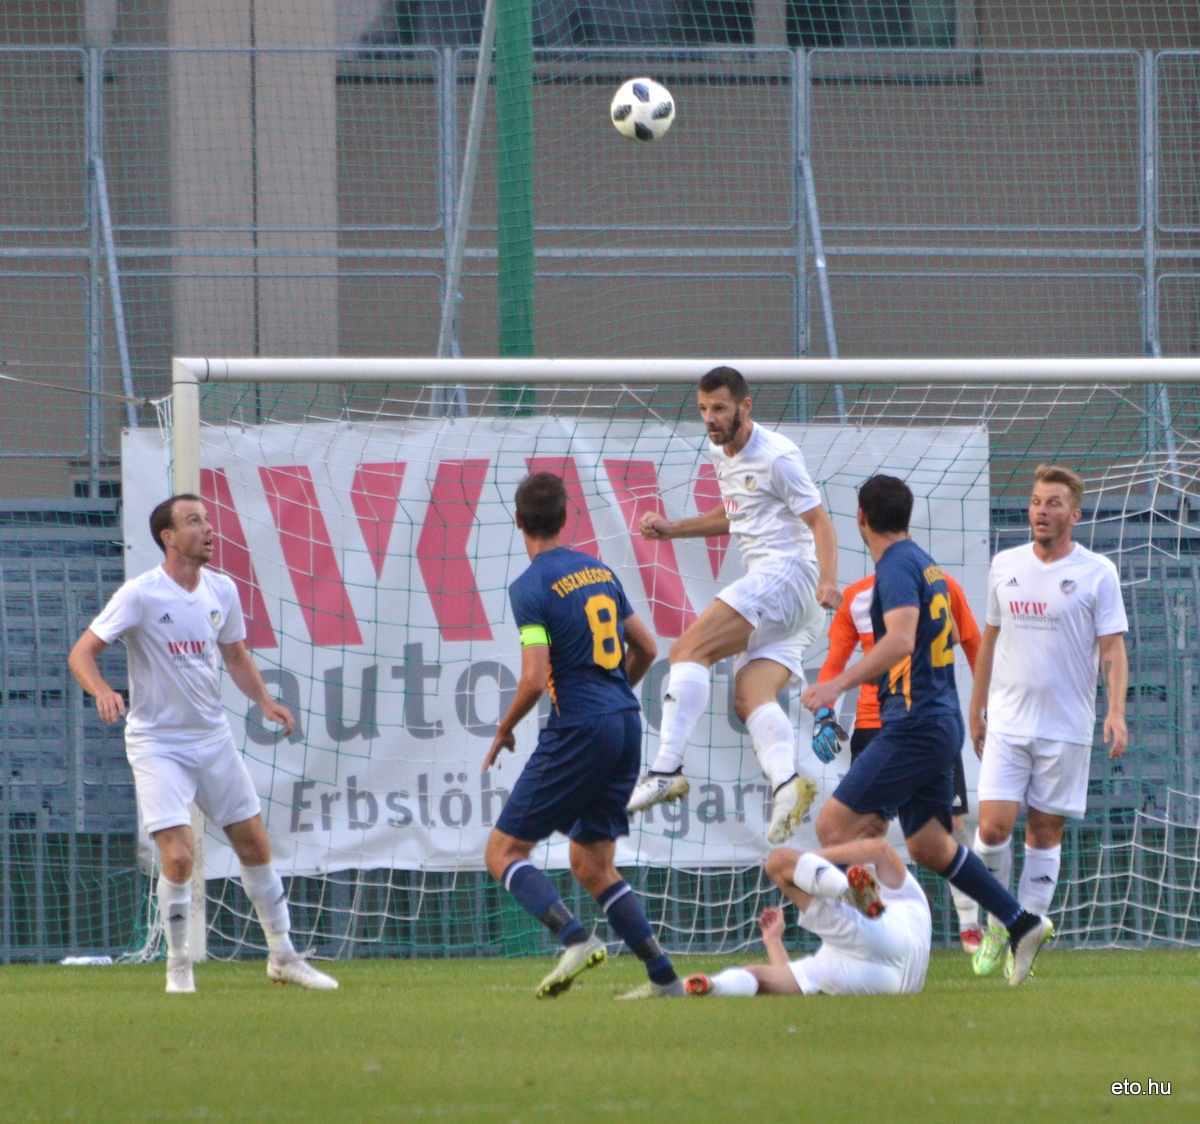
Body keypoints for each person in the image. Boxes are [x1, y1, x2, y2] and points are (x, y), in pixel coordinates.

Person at [67, 494, 337, 994]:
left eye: (208, 519)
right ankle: (178, 966)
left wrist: (264, 701)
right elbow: (81, 653)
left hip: (212, 738)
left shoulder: (222, 589)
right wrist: (102, 690)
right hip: (157, 743)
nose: (208, 529)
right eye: (194, 521)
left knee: (255, 844)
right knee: (179, 856)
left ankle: (283, 956)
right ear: (168, 537)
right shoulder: (140, 594)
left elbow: (235, 656)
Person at [801, 475, 1052, 987]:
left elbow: (899, 641)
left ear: (861, 518)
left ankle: (866, 948)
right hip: (937, 721)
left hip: (914, 724)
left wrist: (836, 686)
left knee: (833, 828)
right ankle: (1020, 921)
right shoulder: (926, 565)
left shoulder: (895, 567)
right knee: (930, 846)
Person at [482, 472, 683, 1000]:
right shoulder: (599, 571)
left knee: (503, 851)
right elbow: (647, 647)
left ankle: (574, 938)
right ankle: (665, 979)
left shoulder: (529, 587)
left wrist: (504, 729)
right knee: (592, 864)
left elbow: (533, 679)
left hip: (580, 726)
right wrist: (612, 696)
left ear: (518, 521)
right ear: (565, 517)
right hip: (625, 722)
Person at [627, 366, 842, 844]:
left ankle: (666, 770)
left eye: (720, 408)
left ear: (746, 406)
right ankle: (787, 785)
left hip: (786, 576)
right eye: (703, 409)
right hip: (788, 599)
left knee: (687, 651)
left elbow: (821, 523)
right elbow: (735, 514)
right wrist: (673, 529)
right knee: (750, 697)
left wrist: (828, 580)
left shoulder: (778, 455)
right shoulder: (720, 450)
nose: (710, 418)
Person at [968, 465, 1129, 976]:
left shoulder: (1097, 572)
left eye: (1054, 503)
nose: (1041, 511)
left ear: (1074, 514)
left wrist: (1116, 711)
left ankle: (1026, 937)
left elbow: (1112, 648)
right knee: (991, 827)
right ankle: (1000, 923)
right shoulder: (1005, 564)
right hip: (1008, 722)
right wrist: (976, 707)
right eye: (1037, 501)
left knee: (1043, 834)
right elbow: (989, 638)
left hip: (1066, 727)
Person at [815, 570, 985, 952]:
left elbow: (975, 645)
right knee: (867, 833)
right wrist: (824, 712)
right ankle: (878, 928)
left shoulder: (942, 584)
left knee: (949, 826)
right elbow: (835, 660)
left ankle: (970, 924)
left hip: (924, 722)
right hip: (874, 726)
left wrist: (983, 709)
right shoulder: (855, 596)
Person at [684, 837, 931, 998]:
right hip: (893, 981)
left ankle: (848, 894)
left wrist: (809, 859)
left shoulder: (906, 901)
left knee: (779, 860)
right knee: (760, 978)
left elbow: (880, 848)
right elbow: (788, 976)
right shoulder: (913, 906)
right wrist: (773, 941)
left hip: (878, 957)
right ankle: (711, 985)